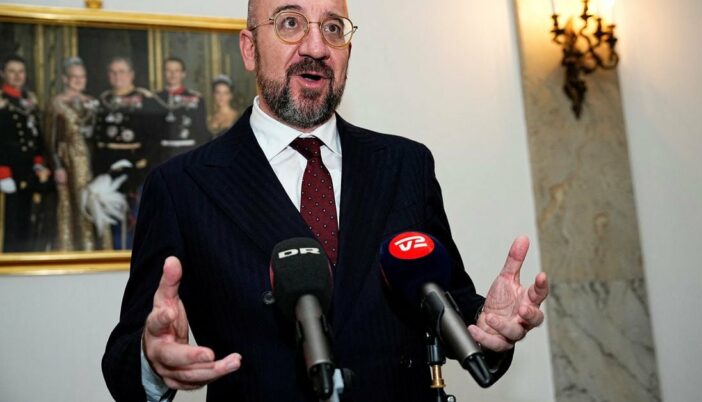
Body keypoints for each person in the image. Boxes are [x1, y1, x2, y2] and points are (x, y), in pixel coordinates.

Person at [102, 0, 549, 401]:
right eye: (290, 23)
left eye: (333, 28)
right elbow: (124, 365)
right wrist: (152, 360)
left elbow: (448, 305)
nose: (316, 47)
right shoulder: (181, 186)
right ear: (249, 48)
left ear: (348, 50)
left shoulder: (405, 164)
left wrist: (488, 324)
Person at [92, 57, 163, 249]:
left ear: (131, 75)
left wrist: (139, 166)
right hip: (107, 170)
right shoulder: (103, 100)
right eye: (113, 72)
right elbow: (96, 140)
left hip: (136, 168)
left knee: (135, 222)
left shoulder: (146, 100)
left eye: (122, 71)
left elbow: (155, 140)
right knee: (111, 222)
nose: (117, 76)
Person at [44, 57, 111, 251]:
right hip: (69, 160)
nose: (78, 80)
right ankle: (73, 249)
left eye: (82, 76)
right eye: (74, 76)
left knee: (93, 200)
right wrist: (57, 167)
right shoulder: (55, 104)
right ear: (65, 79)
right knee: (71, 202)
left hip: (92, 159)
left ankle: (97, 250)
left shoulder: (92, 102)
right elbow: (49, 139)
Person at [0, 54, 55, 252]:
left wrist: (39, 162)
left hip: (29, 170)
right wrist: (3, 173)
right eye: (12, 72)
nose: (17, 76)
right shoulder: (2, 101)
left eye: (21, 72)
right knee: (10, 223)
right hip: (8, 170)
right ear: (3, 74)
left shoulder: (29, 100)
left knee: (27, 223)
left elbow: (36, 136)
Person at [155, 57, 210, 160]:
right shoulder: (155, 98)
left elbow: (201, 130)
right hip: (162, 153)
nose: (172, 74)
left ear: (183, 74)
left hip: (188, 151)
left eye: (176, 70)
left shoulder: (195, 99)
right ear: (164, 73)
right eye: (168, 70)